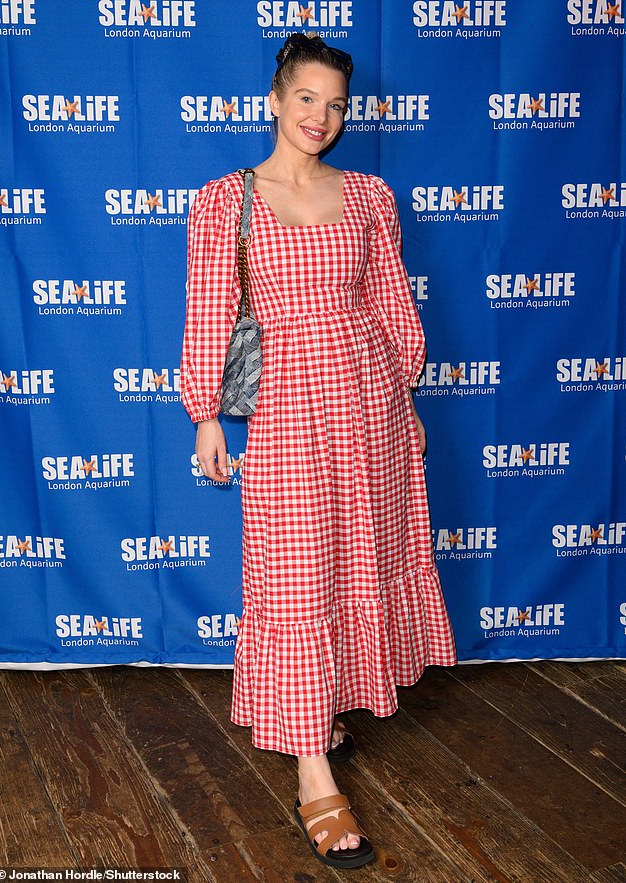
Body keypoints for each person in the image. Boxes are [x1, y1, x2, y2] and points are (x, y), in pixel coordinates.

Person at [180, 32, 456, 871]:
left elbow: (389, 309)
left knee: (354, 558)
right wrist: (207, 414)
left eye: (337, 105)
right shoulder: (227, 200)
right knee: (296, 571)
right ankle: (310, 767)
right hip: (289, 408)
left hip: (369, 403)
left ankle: (323, 704)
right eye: (307, 98)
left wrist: (404, 401)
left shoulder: (370, 194)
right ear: (274, 99)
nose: (322, 118)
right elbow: (210, 311)